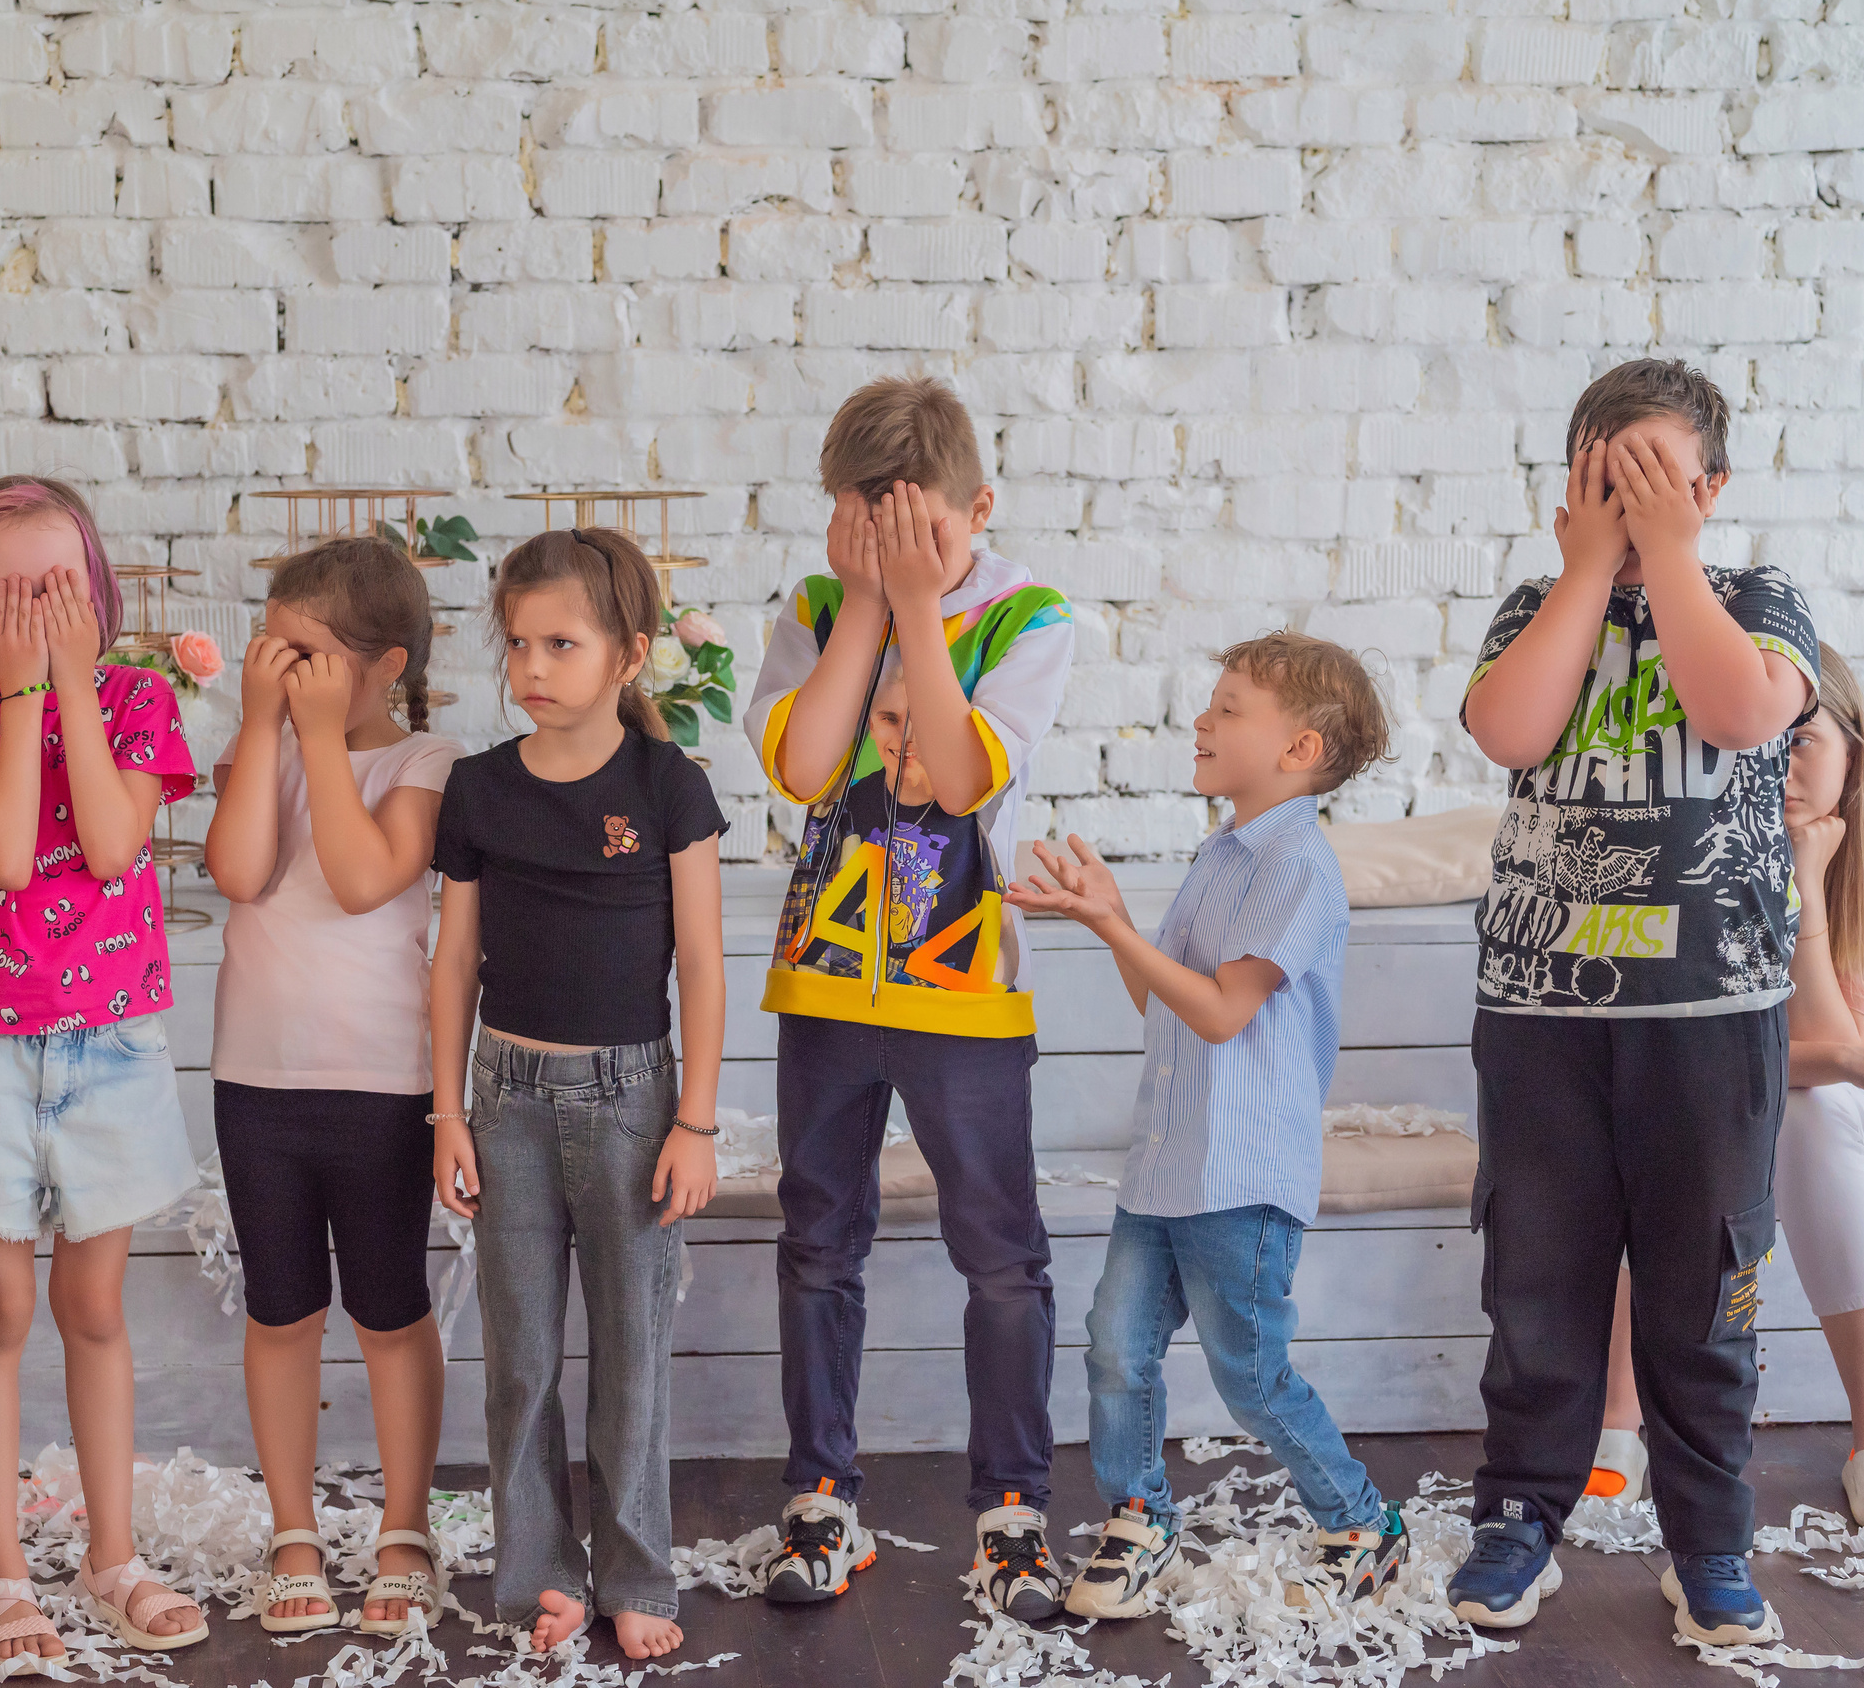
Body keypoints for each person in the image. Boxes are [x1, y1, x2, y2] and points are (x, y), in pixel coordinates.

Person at [1448, 358, 1819, 1647]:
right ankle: (1518, 1516)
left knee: (1703, 1289)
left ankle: (1709, 1541)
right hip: (1541, 1016)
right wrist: (1582, 570)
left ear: (1710, 489)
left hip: (1708, 1015)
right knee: (1536, 1277)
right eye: (1610, 479)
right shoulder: (1530, 609)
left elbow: (1739, 708)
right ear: (1567, 489)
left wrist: (1664, 554)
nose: (1633, 500)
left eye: (1660, 478)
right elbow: (1508, 730)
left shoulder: (1757, 602)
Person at [742, 374, 1077, 1620]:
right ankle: (822, 1492)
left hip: (968, 992)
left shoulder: (1030, 615)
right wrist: (866, 608)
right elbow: (804, 763)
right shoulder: (821, 606)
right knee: (819, 1243)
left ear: (974, 507)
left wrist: (923, 614)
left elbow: (951, 778)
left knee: (999, 1253)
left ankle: (1011, 1511)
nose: (879, 548)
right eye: (857, 525)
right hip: (826, 984)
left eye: (910, 526)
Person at [1009, 633, 1406, 1622]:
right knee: (1115, 1345)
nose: (1201, 721)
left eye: (1228, 708)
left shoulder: (1298, 866)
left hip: (1241, 1171)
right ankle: (1140, 1511)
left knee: (1250, 1372)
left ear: (1299, 749)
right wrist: (1111, 913)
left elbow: (1226, 1010)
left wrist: (1113, 925)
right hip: (1169, 1163)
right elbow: (1166, 1002)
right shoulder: (1220, 853)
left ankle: (1362, 1524)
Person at [0, 478, 206, 1673]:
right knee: (3, 1304)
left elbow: (118, 839)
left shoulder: (134, 699)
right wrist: (22, 695)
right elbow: (11, 853)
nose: (40, 606)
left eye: (61, 586)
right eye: (16, 590)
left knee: (91, 1306)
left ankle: (111, 1553)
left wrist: (68, 682)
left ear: (98, 593)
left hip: (112, 1044)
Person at [1582, 645, 1864, 1536]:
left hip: (1822, 1090)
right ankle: (1617, 1413)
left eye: (1803, 743)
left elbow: (1833, 1048)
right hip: (1699, 1080)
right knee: (1646, 1119)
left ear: (1855, 751)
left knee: (1811, 1110)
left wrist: (1806, 886)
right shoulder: (1691, 842)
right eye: (1761, 745)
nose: (1779, 767)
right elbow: (1690, 1047)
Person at [429, 527, 727, 1660]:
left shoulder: (666, 784)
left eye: (562, 641)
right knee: (522, 1359)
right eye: (518, 643)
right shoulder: (478, 788)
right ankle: (541, 1573)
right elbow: (452, 961)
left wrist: (694, 1119)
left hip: (633, 1101)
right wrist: (448, 1112)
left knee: (632, 1353)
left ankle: (638, 1568)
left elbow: (699, 964)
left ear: (630, 653)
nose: (533, 666)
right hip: (502, 1096)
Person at [203, 539, 463, 1633]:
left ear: (384, 663)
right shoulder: (261, 747)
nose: (278, 666)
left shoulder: (427, 763)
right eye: (272, 643)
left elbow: (363, 879)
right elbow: (239, 870)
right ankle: (295, 1528)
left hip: (380, 1083)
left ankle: (405, 1523)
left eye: (304, 653)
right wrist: (268, 729)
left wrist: (312, 732)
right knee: (281, 1310)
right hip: (256, 1078)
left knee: (390, 1305)